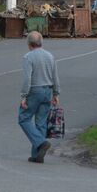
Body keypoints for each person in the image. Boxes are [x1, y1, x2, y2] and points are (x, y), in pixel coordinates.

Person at [19, 31, 60, 163]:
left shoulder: (28, 57)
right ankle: (37, 156)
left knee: (23, 118)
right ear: (41, 42)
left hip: (34, 91)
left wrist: (24, 96)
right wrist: (56, 93)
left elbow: (27, 79)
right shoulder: (50, 56)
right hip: (47, 91)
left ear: (29, 44)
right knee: (41, 122)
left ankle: (41, 142)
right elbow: (55, 76)